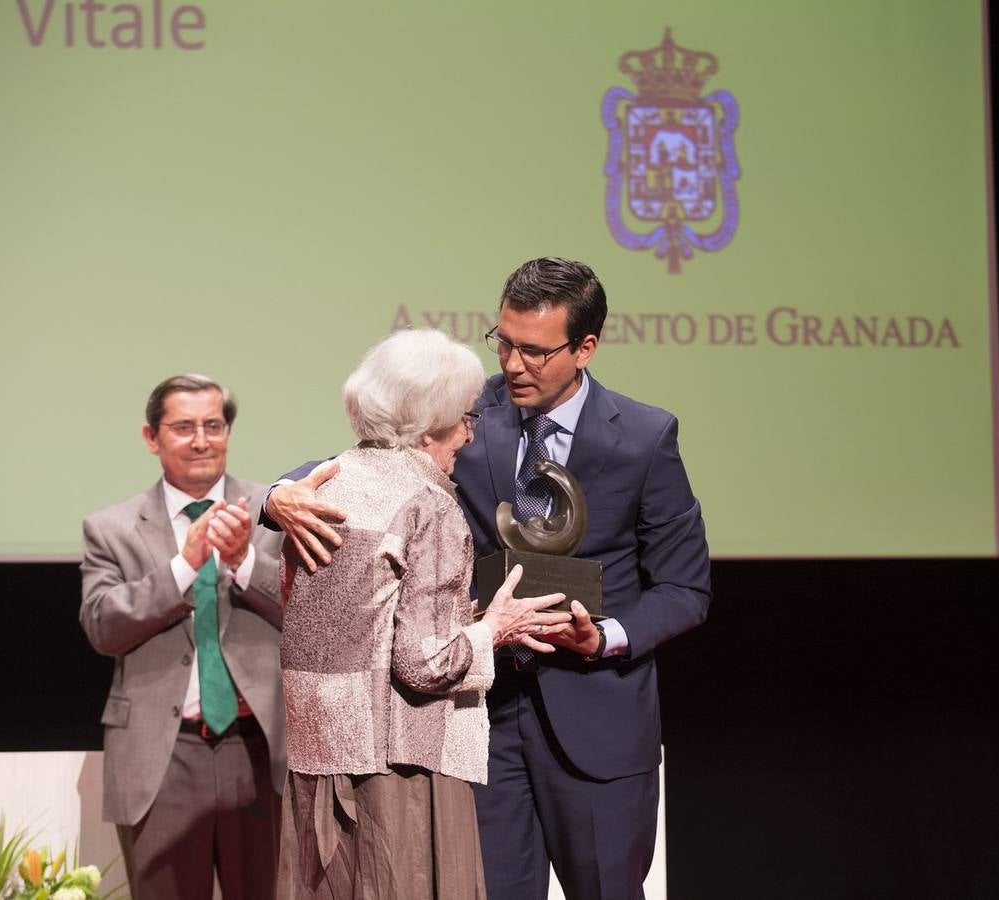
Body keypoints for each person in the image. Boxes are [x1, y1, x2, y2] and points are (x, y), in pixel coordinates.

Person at [264, 258, 712, 900]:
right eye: (502, 342)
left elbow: (684, 588)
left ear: (585, 348)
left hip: (598, 721)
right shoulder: (468, 413)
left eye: (533, 350)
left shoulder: (644, 438)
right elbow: (360, 463)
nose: (511, 364)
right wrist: (280, 494)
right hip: (482, 717)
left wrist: (604, 637)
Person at [274, 328, 571, 900]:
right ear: (430, 422)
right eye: (465, 417)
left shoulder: (321, 488)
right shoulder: (428, 506)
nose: (467, 432)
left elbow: (338, 620)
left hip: (320, 763)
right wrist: (493, 629)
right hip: (397, 776)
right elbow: (424, 663)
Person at [80, 374, 286, 900]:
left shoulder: (272, 512)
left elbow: (312, 618)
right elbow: (103, 625)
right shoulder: (112, 528)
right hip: (163, 757)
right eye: (184, 427)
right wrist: (182, 567)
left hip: (259, 749)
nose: (201, 440)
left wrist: (243, 562)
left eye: (213, 426)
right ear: (152, 438)